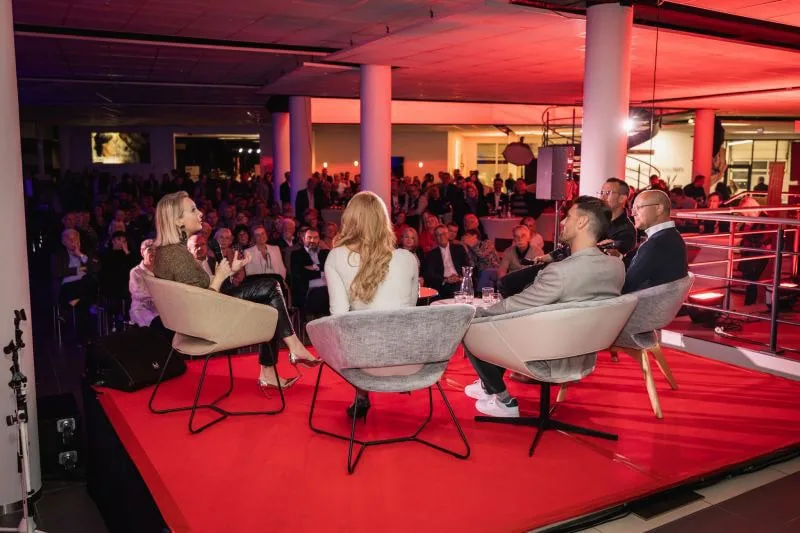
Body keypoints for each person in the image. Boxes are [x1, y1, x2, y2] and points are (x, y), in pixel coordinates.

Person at [464, 196, 625, 417]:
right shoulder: (616, 266)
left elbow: (517, 305)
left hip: (549, 357)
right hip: (584, 354)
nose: (562, 222)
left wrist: (477, 313)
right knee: (498, 324)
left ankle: (503, 401)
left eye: (568, 217)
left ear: (582, 223)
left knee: (472, 326)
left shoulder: (561, 271)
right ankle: (486, 385)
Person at [151, 191, 319, 391]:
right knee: (271, 289)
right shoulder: (175, 255)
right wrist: (221, 276)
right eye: (193, 210)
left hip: (199, 316)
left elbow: (195, 293)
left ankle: (276, 365)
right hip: (204, 323)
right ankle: (291, 351)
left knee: (270, 297)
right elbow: (201, 303)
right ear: (178, 221)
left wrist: (231, 270)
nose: (200, 213)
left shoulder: (168, 251)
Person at [325, 192, 420, 419]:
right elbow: (411, 307)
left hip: (364, 364)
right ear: (383, 220)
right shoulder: (407, 258)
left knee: (353, 331)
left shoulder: (336, 257)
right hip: (409, 361)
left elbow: (338, 316)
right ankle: (363, 395)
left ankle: (361, 395)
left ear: (350, 220)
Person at [623, 190, 688, 294]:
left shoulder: (657, 243)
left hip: (643, 305)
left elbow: (627, 285)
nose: (633, 213)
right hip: (661, 304)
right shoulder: (672, 236)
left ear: (659, 209)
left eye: (638, 207)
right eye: (632, 208)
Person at [424, 224, 471, 299]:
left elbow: (467, 266)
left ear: (448, 235)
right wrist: (446, 279)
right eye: (438, 235)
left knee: (458, 287)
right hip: (443, 283)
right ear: (435, 238)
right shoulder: (431, 254)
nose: (441, 236)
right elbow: (430, 274)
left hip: (459, 281)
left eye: (443, 234)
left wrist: (459, 277)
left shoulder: (459, 249)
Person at [128, 239, 166, 333]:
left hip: (161, 308)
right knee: (155, 326)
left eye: (156, 250)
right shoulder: (136, 272)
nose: (153, 253)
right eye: (149, 250)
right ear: (142, 252)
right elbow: (138, 293)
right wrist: (156, 298)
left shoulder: (163, 271)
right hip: (141, 308)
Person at [598, 178, 637, 258]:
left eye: (608, 193)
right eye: (602, 193)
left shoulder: (627, 231)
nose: (602, 197)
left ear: (622, 198)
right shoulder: (597, 220)